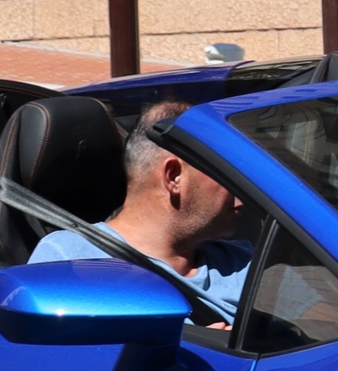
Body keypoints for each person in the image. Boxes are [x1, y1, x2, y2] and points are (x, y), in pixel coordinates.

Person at [30, 101, 253, 320]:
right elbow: (47, 353)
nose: (241, 192)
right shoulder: (70, 259)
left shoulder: (247, 261)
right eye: (226, 175)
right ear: (174, 176)